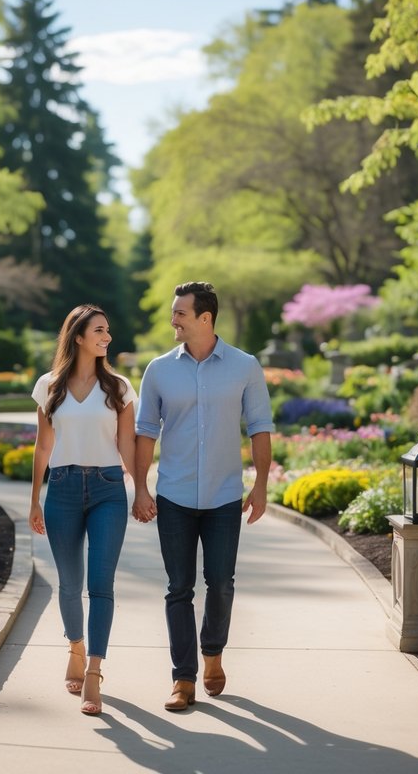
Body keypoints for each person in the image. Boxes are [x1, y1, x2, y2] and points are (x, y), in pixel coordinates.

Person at [132, 281, 273, 711]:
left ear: (205, 319)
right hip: (173, 495)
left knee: (222, 583)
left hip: (225, 496)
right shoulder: (158, 369)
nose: (172, 319)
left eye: (180, 313)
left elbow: (260, 427)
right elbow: (145, 433)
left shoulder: (245, 366)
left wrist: (262, 484)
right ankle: (183, 679)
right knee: (178, 588)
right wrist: (139, 487)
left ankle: (212, 654)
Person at [30, 304, 137, 716]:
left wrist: (141, 489)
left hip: (109, 489)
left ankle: (94, 671)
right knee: (70, 583)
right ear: (77, 336)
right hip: (63, 490)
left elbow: (128, 444)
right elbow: (43, 446)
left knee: (101, 583)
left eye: (108, 330)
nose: (107, 337)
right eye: (99, 330)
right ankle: (75, 645)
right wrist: (34, 500)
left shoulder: (120, 387)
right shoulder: (49, 386)